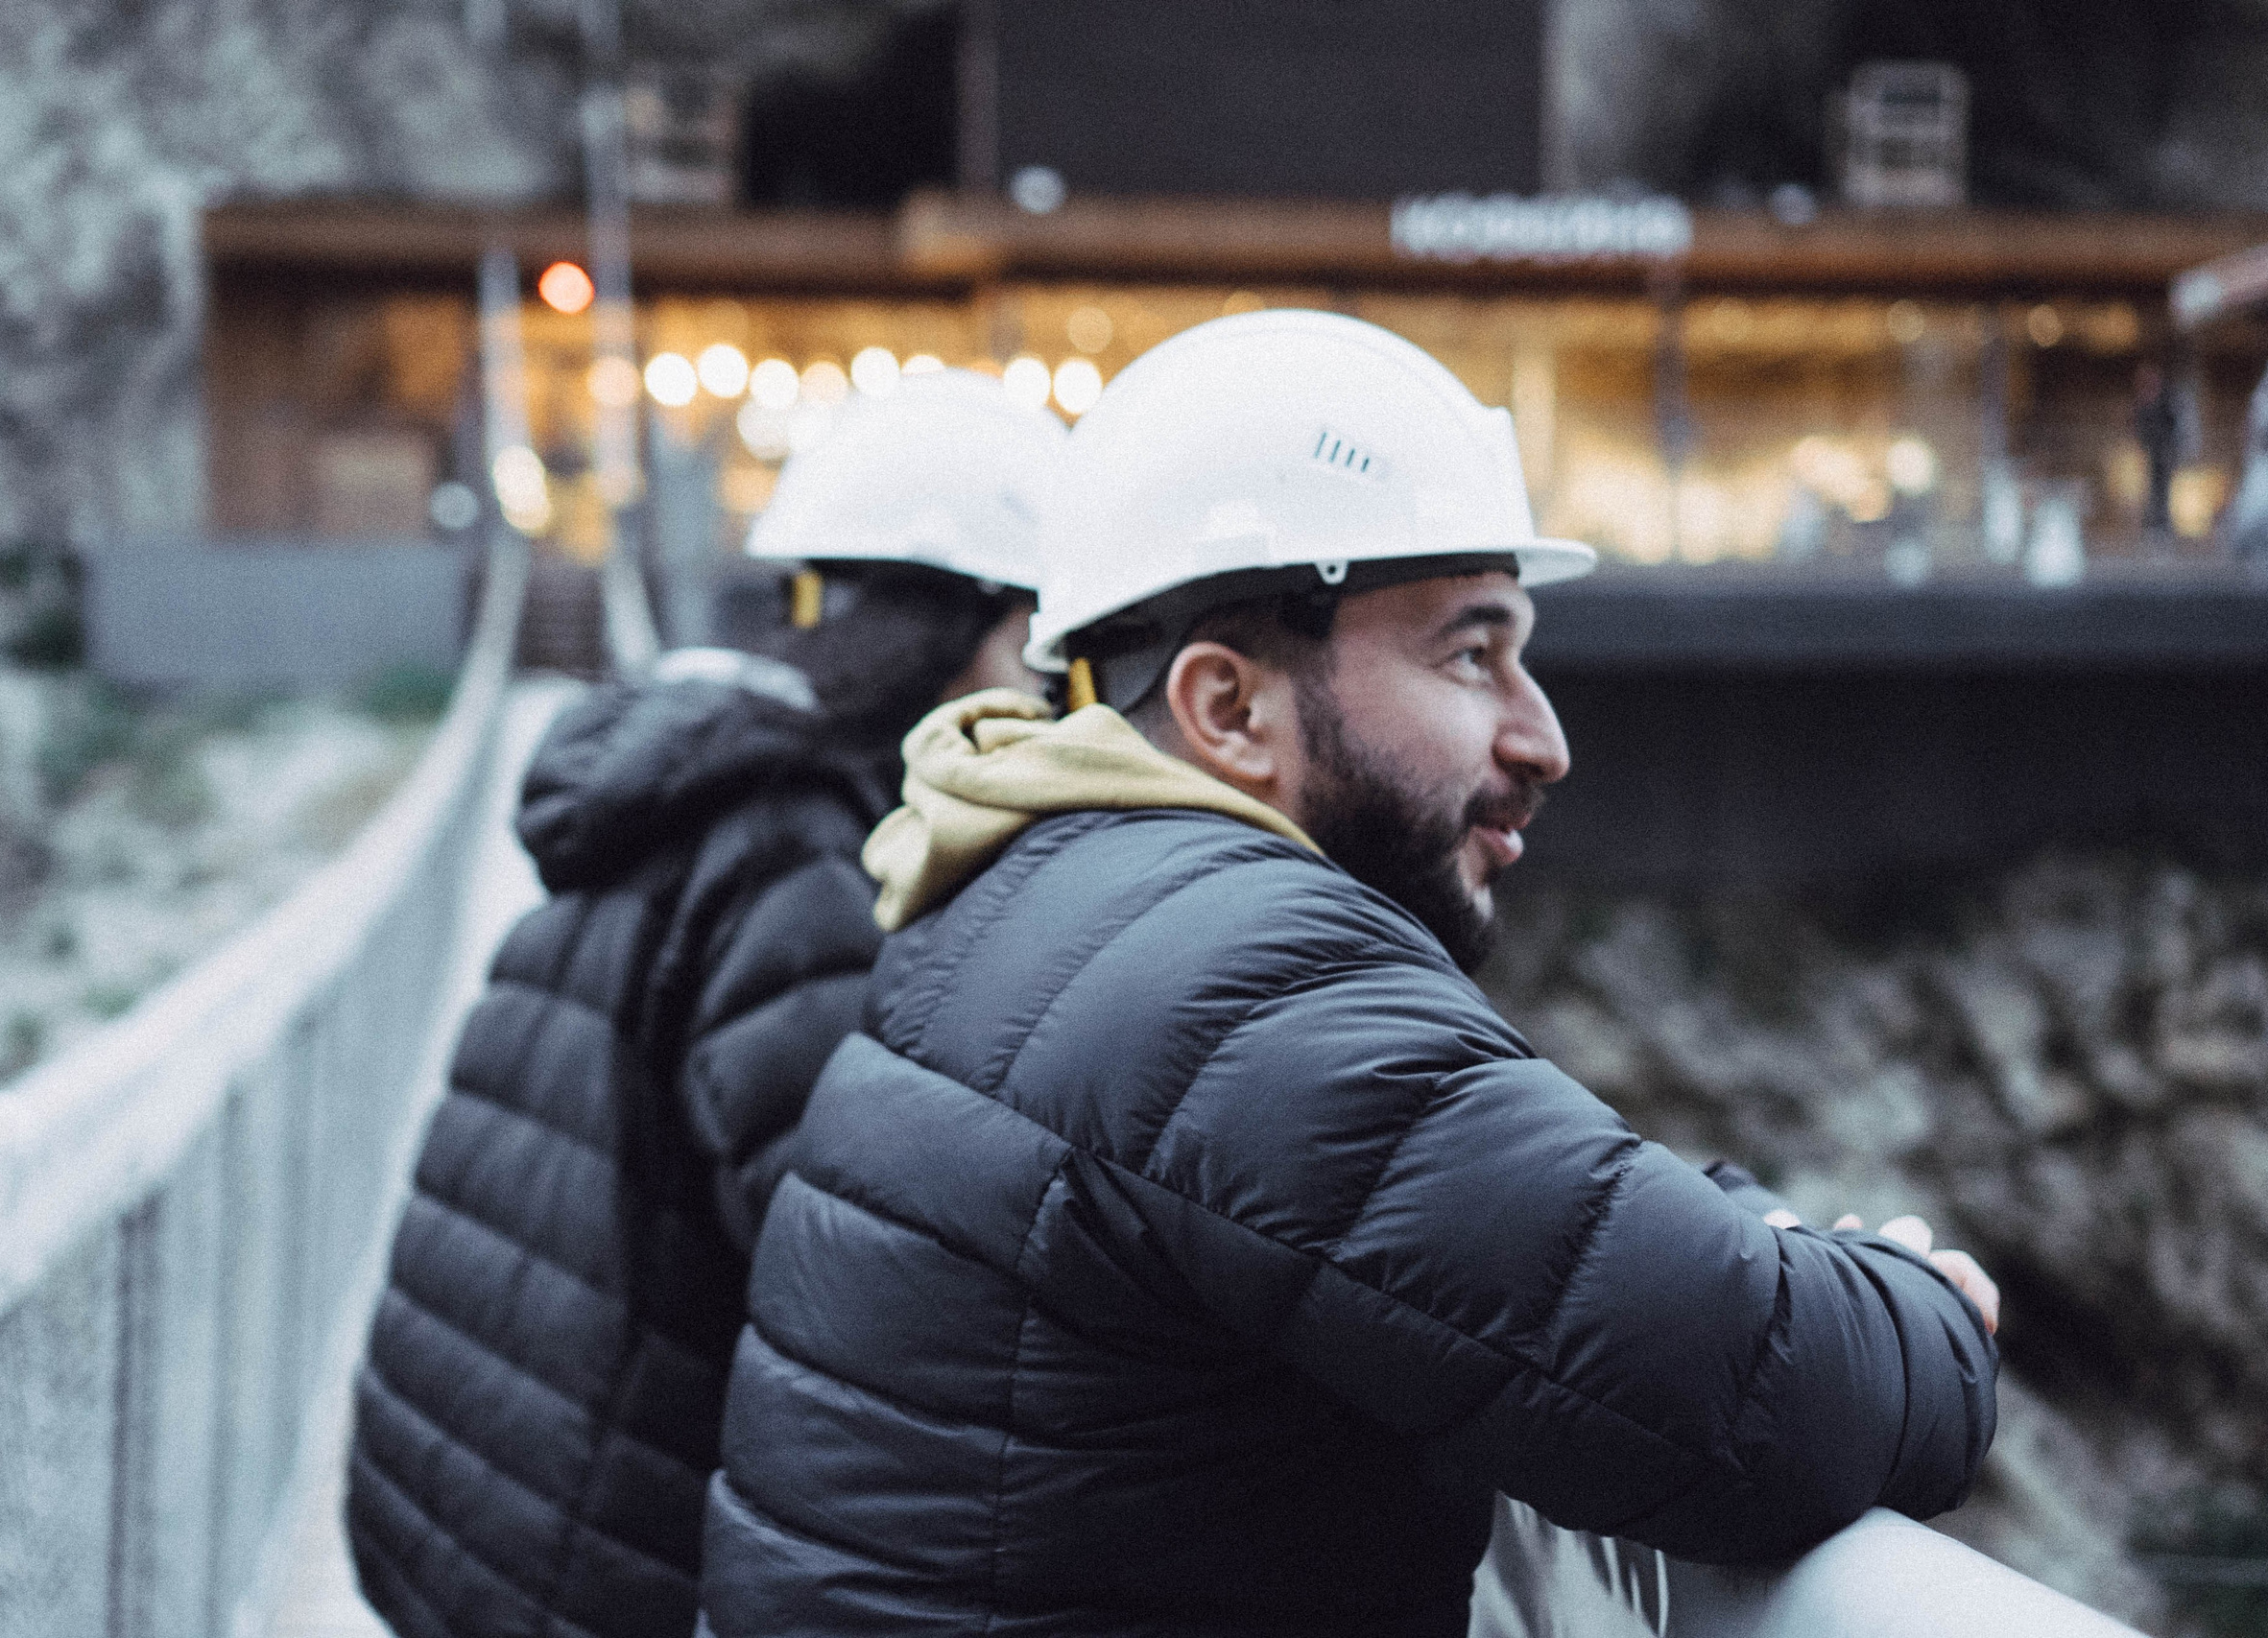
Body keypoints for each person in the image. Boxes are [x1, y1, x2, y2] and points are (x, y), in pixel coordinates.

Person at [701, 312, 2001, 1637]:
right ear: (1229, 710)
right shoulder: (1236, 978)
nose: (1544, 737)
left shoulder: (1038, 900)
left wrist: (1741, 1238)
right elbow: (1762, 1398)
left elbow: (1551, 1233)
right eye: (1470, 655)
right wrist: (1920, 1307)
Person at [344, 369, 1063, 1638]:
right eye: (1046, 654)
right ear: (973, 634)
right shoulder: (794, 853)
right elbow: (852, 1262)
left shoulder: (691, 778)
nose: (1054, 702)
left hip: (464, 1488)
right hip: (584, 1548)